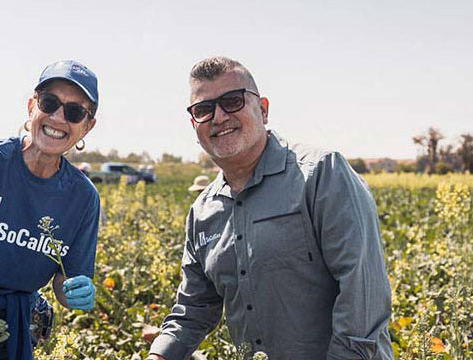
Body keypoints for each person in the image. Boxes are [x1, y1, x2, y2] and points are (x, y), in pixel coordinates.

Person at [147, 57, 396, 360]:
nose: (219, 116)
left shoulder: (321, 175)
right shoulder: (202, 213)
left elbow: (363, 292)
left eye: (232, 101)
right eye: (204, 109)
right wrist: (160, 355)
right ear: (194, 124)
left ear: (263, 109)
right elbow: (194, 308)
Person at [0, 60, 102, 359]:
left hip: (14, 327)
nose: (58, 118)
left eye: (75, 112)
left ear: (87, 126)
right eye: (49, 103)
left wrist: (73, 291)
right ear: (31, 107)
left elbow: (64, 284)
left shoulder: (82, 198)